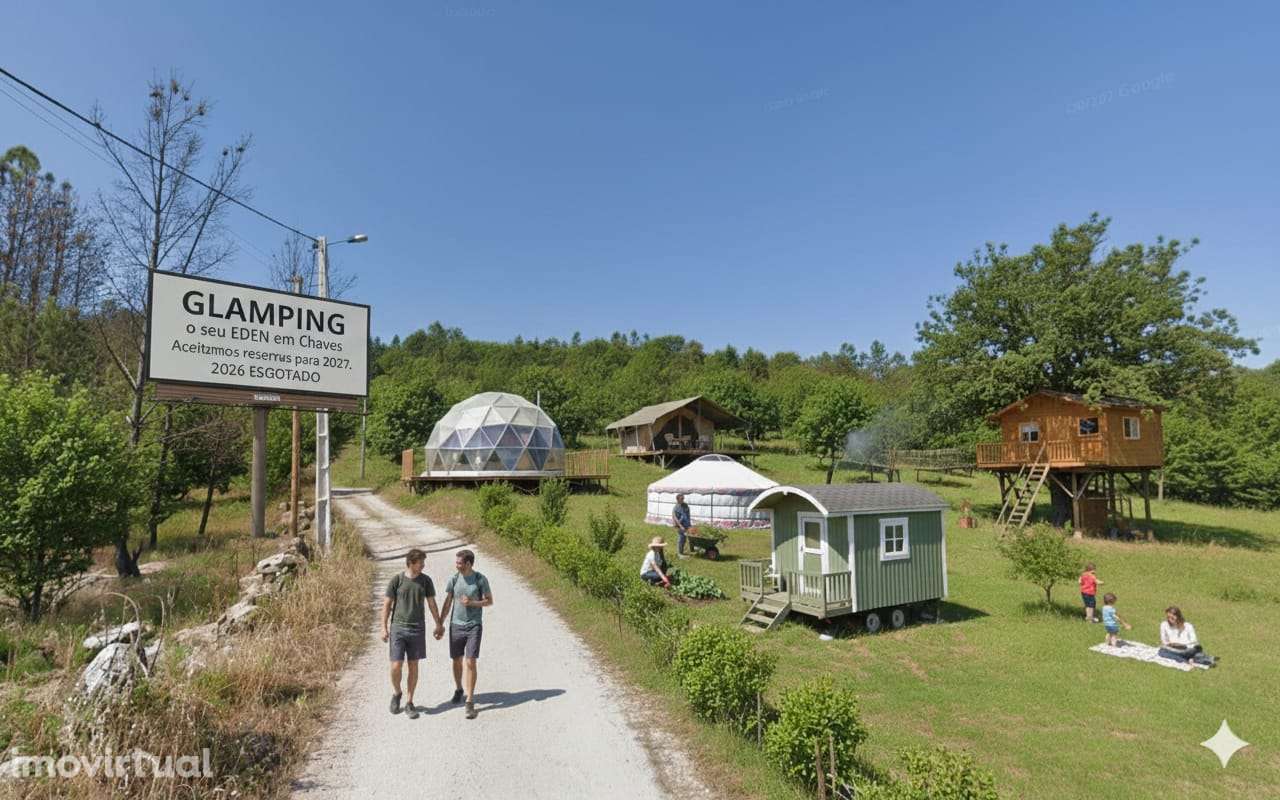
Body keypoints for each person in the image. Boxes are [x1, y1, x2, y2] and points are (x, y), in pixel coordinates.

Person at [380, 548, 443, 720]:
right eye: (420, 562)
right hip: (398, 628)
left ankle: (409, 702)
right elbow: (386, 605)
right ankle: (397, 693)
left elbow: (432, 604)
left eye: (423, 562)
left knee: (413, 665)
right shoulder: (397, 580)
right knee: (396, 666)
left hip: (417, 629)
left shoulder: (426, 581)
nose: (423, 565)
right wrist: (383, 627)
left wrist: (438, 624)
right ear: (411, 563)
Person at [439, 549, 493, 720]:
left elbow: (489, 601)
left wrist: (472, 603)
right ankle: (459, 689)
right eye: (456, 562)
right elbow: (448, 602)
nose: (457, 565)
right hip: (456, 625)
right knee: (456, 660)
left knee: (470, 661)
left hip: (474, 625)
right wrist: (440, 623)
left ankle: (469, 701)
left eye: (459, 563)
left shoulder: (480, 579)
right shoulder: (454, 579)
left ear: (468, 563)